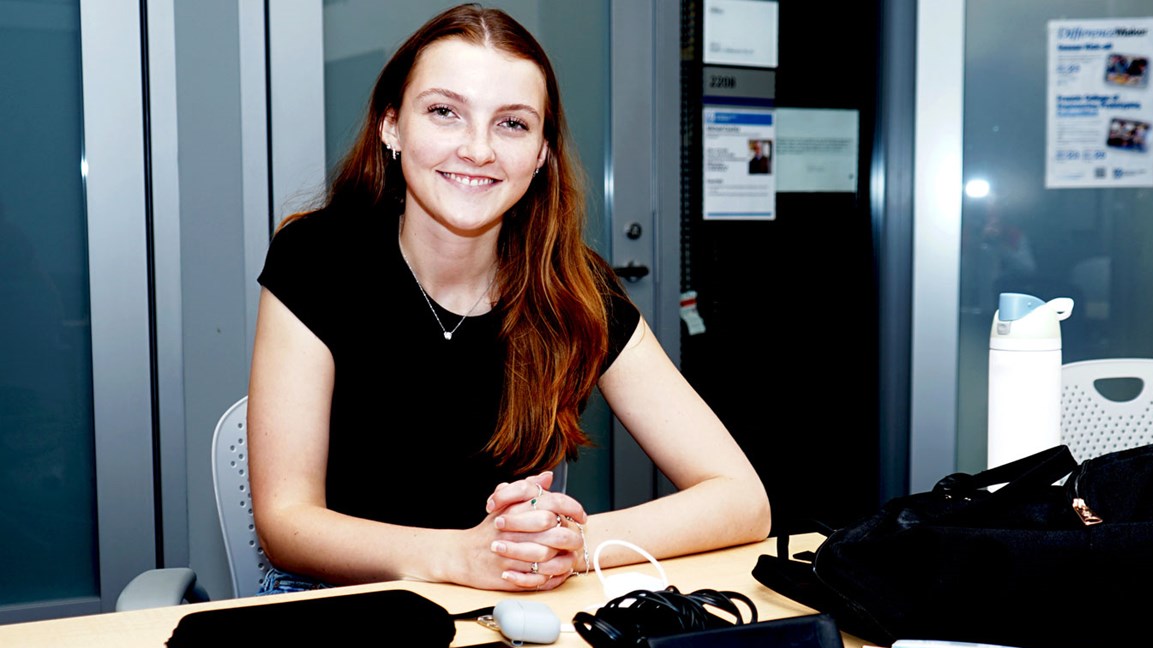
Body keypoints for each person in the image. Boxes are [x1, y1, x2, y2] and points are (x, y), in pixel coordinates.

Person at [247, 3, 769, 594]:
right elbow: (284, 524)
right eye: (445, 112)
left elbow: (743, 500)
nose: (477, 150)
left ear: (542, 153)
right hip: (345, 608)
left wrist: (569, 546)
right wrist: (463, 557)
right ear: (391, 126)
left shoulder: (574, 287)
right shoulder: (317, 257)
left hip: (515, 609)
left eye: (512, 124)